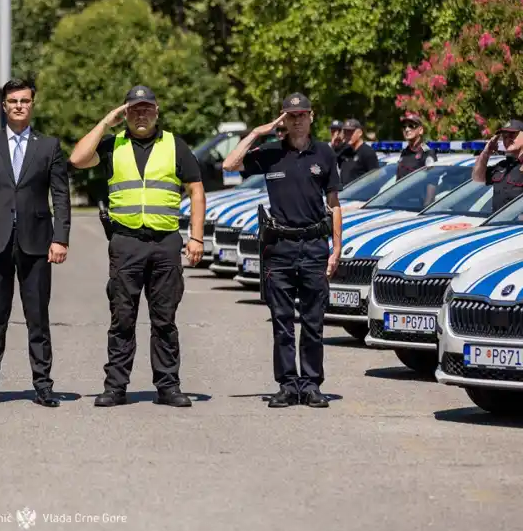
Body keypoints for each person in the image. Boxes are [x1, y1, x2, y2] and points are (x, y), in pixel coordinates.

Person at [69, 85, 205, 407]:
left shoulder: (175, 145)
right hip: (126, 242)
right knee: (122, 318)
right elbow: (77, 158)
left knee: (164, 320)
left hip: (164, 244)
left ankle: (168, 386)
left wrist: (196, 237)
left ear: (156, 111)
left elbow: (196, 190)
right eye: (133, 109)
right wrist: (106, 121)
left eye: (146, 108)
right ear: (125, 113)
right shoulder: (112, 144)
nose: (140, 114)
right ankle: (115, 387)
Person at [222, 93, 342, 408]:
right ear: (282, 119)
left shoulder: (325, 154)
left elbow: (335, 205)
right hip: (280, 248)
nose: (297, 120)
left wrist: (336, 248)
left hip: (315, 247)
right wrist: (256, 133)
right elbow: (229, 164)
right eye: (291, 116)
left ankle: (312, 385)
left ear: (311, 116)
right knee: (282, 322)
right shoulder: (271, 153)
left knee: (314, 322)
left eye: (302, 114)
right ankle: (288, 385)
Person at [0, 79, 71, 408]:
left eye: (25, 100)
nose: (19, 105)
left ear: (32, 104)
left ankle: (43, 385)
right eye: (13, 101)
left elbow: (61, 197)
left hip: (37, 242)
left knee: (37, 317)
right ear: (4, 106)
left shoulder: (48, 146)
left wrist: (61, 238)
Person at [472, 119, 523, 212]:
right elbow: (477, 178)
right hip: (497, 224)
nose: (508, 139)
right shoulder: (503, 166)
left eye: (512, 134)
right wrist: (486, 152)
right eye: (504, 136)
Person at [336, 118, 379, 185]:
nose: (347, 136)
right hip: (344, 193)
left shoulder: (368, 152)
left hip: (360, 194)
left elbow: (375, 180)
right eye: (345, 132)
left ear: (360, 133)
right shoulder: (344, 151)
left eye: (350, 132)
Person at [395, 113, 436, 181]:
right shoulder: (405, 151)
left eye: (411, 126)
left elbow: (431, 181)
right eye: (404, 127)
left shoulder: (427, 152)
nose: (407, 129)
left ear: (420, 130)